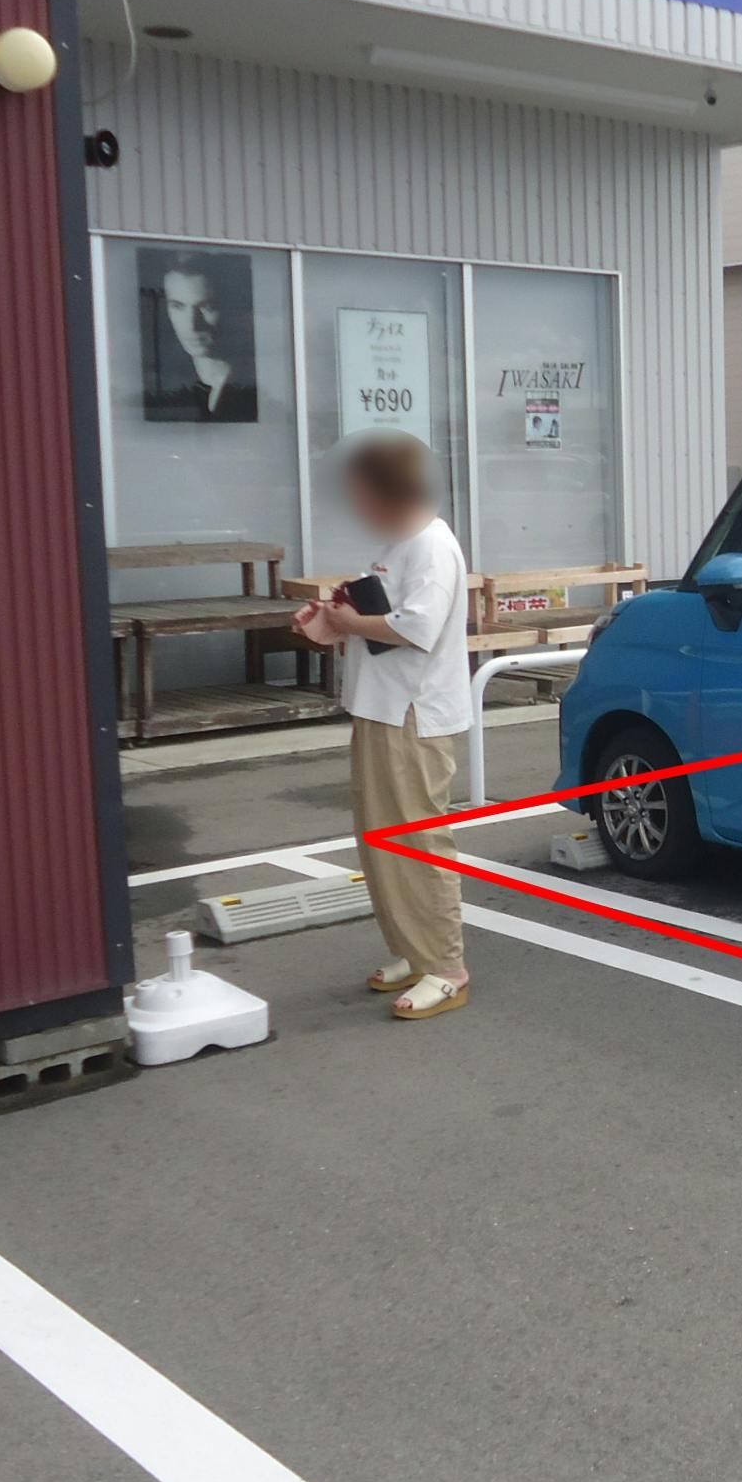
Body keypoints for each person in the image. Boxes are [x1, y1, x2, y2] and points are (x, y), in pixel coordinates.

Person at [295, 432, 472, 1021]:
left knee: (417, 838)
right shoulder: (399, 542)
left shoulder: (431, 545)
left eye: (360, 492)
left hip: (413, 711)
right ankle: (413, 950)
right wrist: (334, 617)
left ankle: (446, 967)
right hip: (383, 706)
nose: (356, 505)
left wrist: (349, 621)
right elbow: (382, 614)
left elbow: (416, 628)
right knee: (382, 837)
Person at [146, 254, 259, 423]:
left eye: (207, 307)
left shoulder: (256, 383)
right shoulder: (163, 388)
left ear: (231, 308)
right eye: (178, 306)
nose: (192, 325)